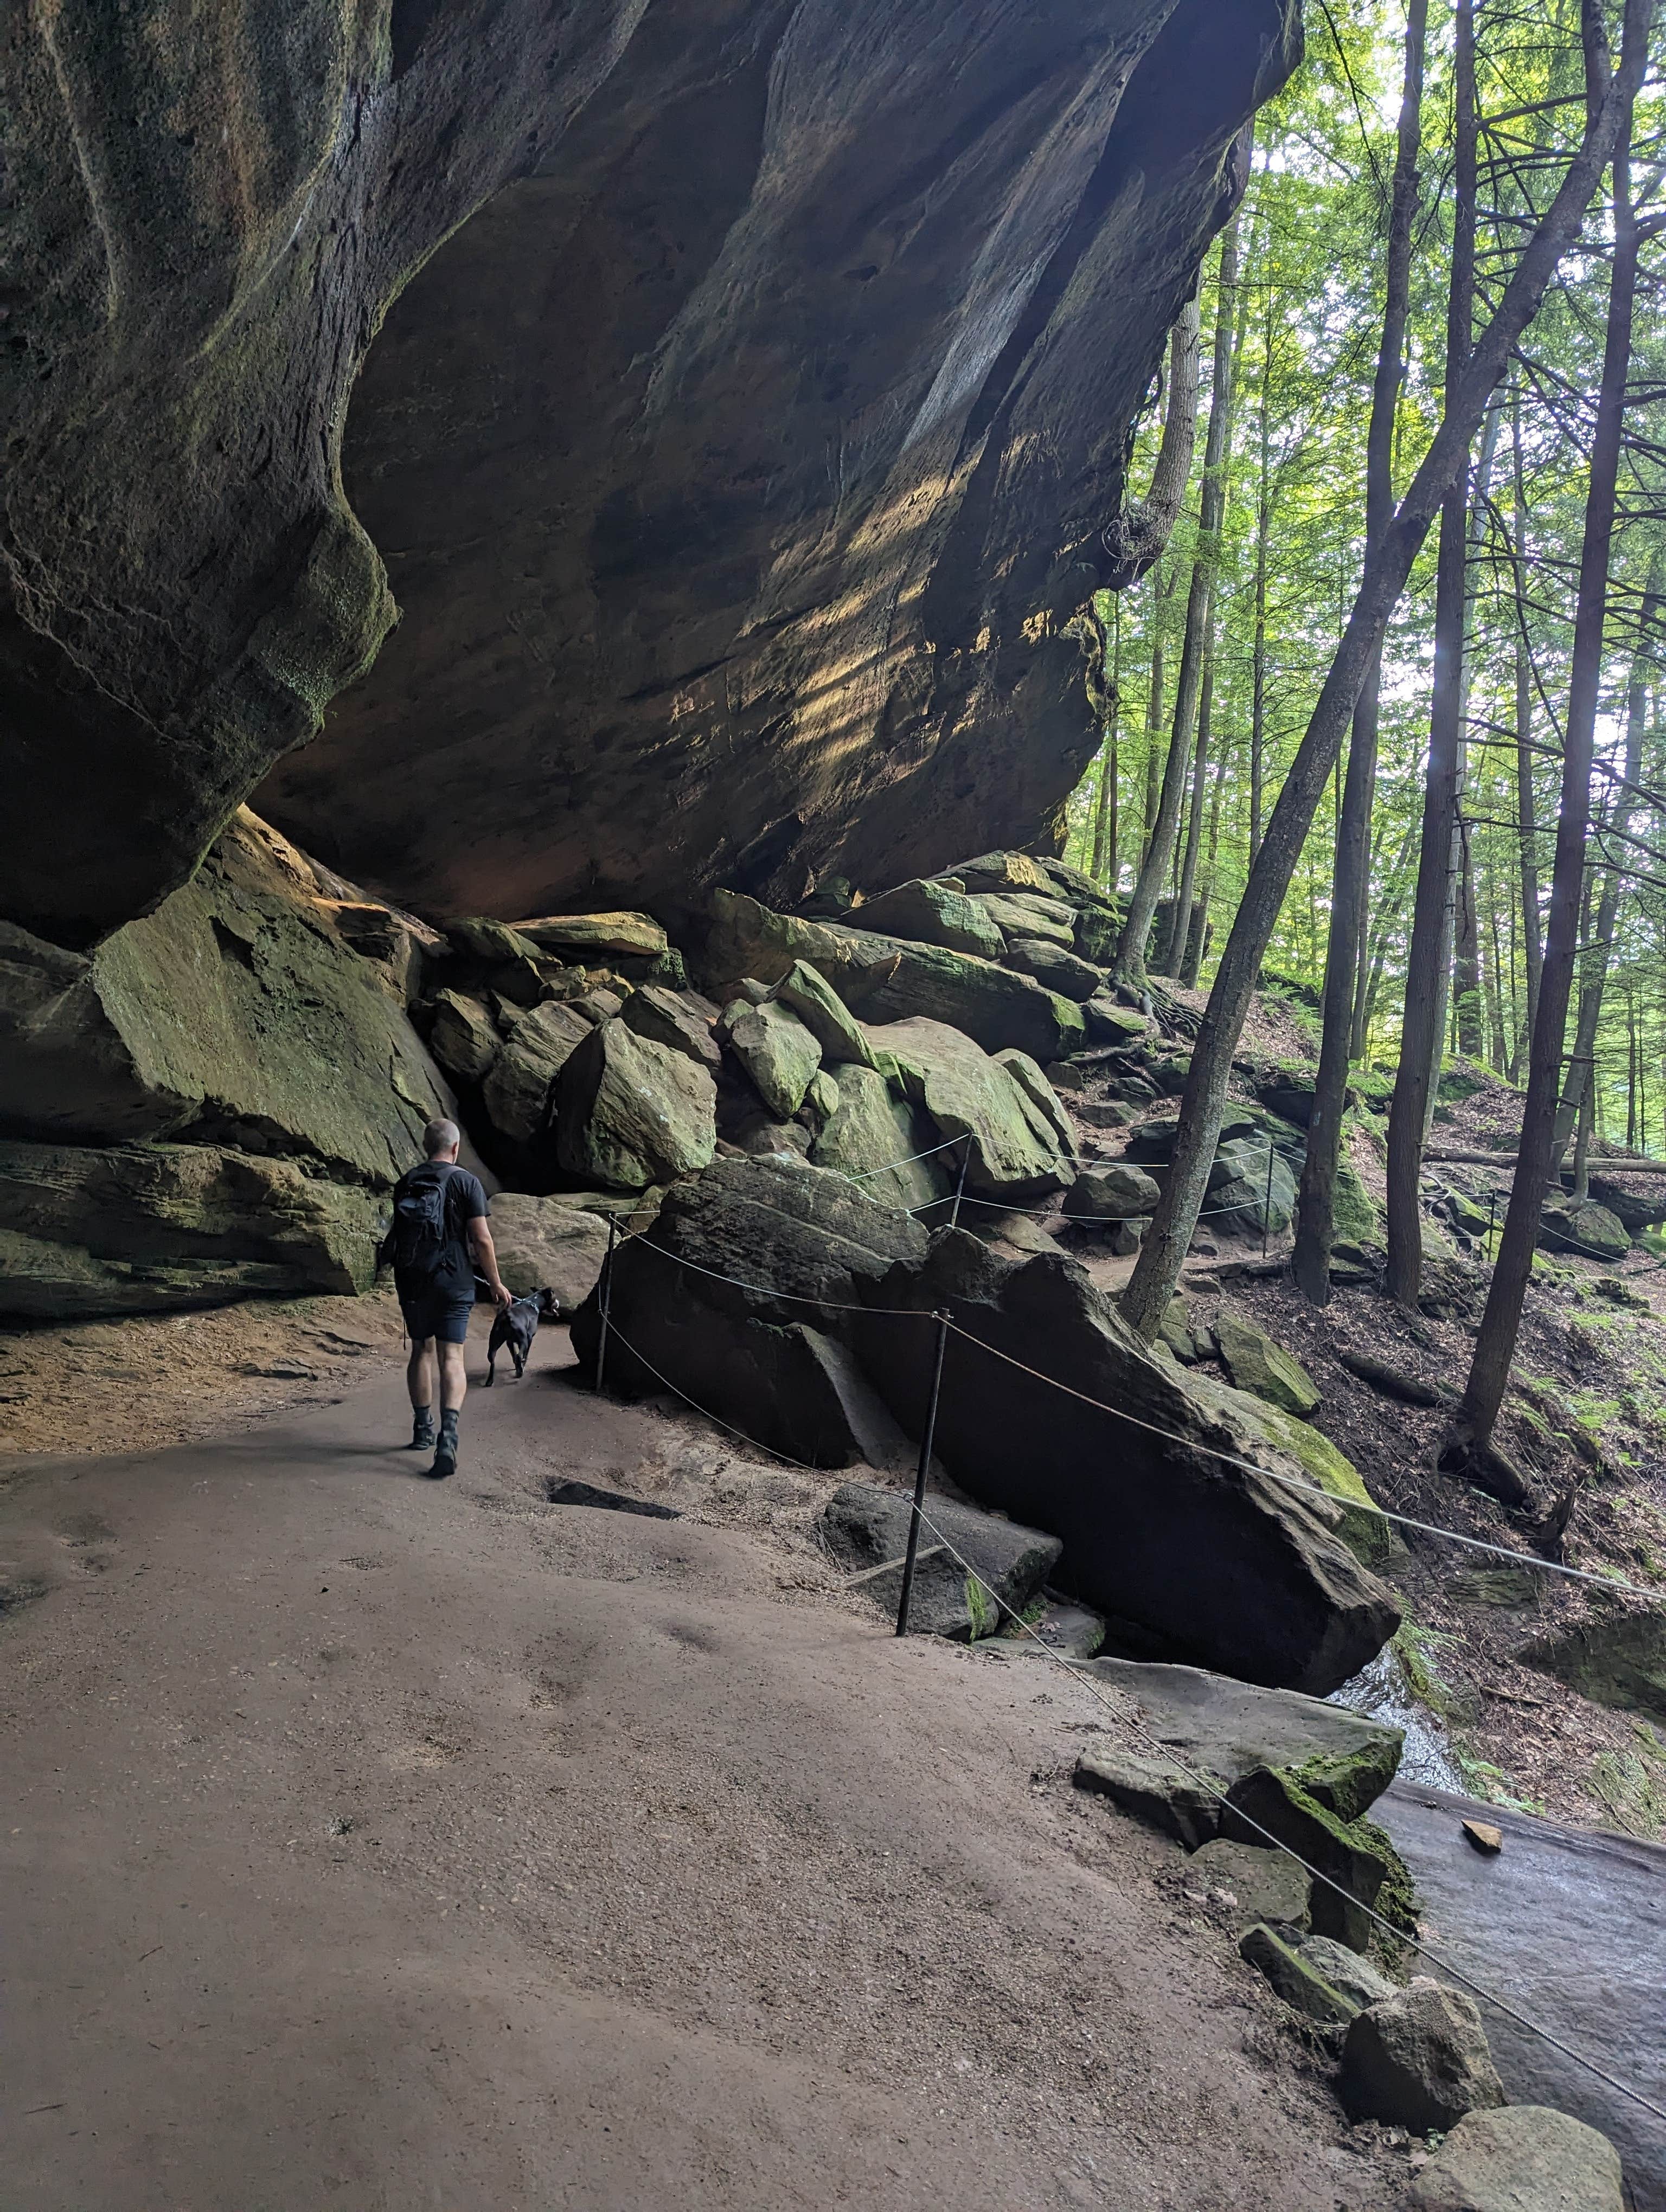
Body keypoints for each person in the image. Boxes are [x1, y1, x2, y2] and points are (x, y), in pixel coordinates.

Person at [381, 1118, 511, 1480]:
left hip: (412, 1279)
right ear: (455, 1148)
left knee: (420, 1349)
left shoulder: (407, 1181)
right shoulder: (466, 1182)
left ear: (426, 1147)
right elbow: (482, 1240)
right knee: (451, 1355)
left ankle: (422, 1429)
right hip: (454, 1280)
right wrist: (497, 1284)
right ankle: (448, 1438)